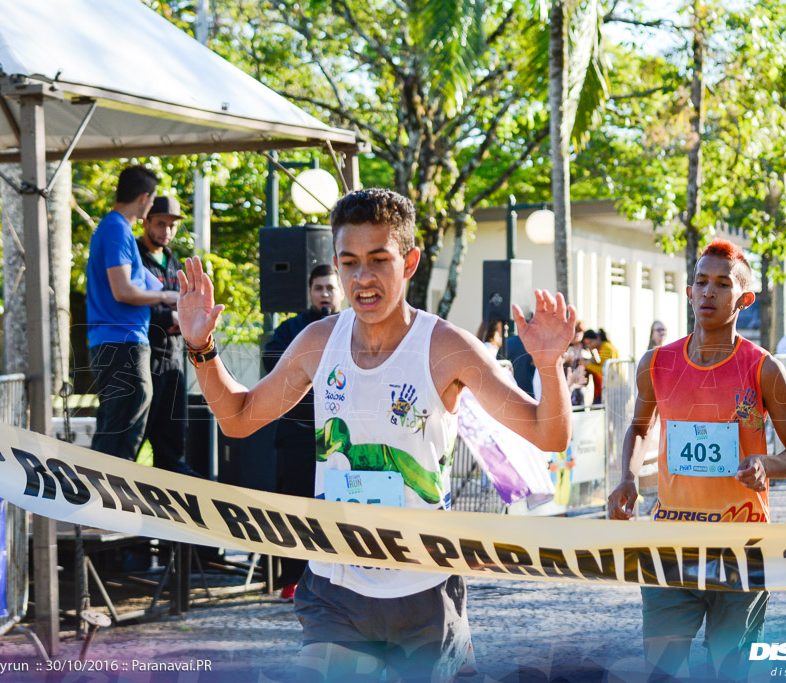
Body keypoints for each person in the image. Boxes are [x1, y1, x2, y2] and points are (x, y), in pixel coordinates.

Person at [177, 188, 577, 681]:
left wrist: (548, 364)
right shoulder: (319, 342)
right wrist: (201, 347)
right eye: (349, 263)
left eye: (378, 260)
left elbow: (548, 434)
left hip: (424, 588)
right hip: (335, 585)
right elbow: (238, 418)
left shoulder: (446, 348)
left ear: (409, 262)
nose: (362, 279)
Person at [607, 238, 786, 681]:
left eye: (722, 284)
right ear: (688, 291)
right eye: (700, 282)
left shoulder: (764, 369)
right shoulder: (656, 363)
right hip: (671, 548)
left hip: (743, 551)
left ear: (745, 298)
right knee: (660, 672)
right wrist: (626, 478)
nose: (708, 293)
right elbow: (640, 427)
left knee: (730, 673)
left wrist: (765, 465)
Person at [261, 264, 344, 602]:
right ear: (310, 292)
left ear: (340, 292)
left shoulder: (356, 327)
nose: (325, 294)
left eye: (330, 288)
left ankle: (341, 576)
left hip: (339, 435)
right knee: (293, 507)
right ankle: (292, 578)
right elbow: (272, 360)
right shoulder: (292, 329)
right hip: (297, 433)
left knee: (338, 508)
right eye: (319, 288)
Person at [87, 166, 178, 461]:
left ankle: (102, 496)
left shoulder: (114, 227)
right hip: (122, 344)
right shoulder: (116, 228)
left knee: (120, 428)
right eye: (152, 201)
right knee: (121, 433)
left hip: (118, 342)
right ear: (143, 198)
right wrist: (166, 296)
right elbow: (123, 290)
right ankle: (101, 499)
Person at [135, 196, 198, 476]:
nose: (167, 231)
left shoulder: (174, 261)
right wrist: (166, 317)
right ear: (146, 221)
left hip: (172, 362)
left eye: (172, 226)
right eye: (160, 224)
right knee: (130, 440)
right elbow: (126, 303)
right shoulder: (132, 256)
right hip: (138, 360)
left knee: (172, 444)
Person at [583, 329, 618, 405]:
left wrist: (587, 365)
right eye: (587, 344)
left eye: (590, 342)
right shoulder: (602, 348)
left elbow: (607, 370)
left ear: (598, 338)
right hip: (610, 388)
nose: (589, 346)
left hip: (615, 388)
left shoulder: (606, 348)